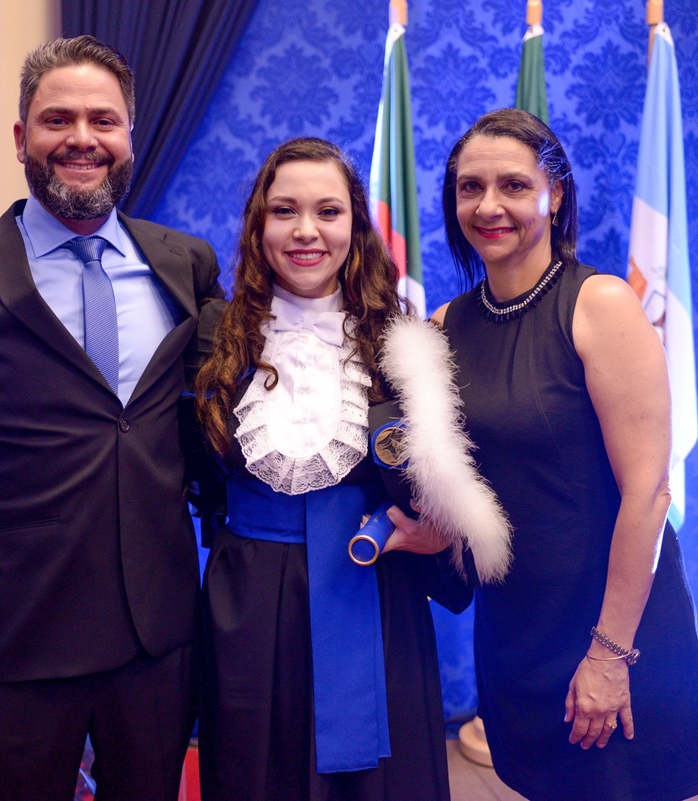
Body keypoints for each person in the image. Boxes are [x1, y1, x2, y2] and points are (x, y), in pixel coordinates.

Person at [0, 36, 224, 801]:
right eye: (57, 119)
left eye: (104, 120)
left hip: (157, 634)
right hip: (18, 637)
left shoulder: (186, 263)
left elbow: (215, 406)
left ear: (129, 136)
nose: (81, 138)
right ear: (20, 137)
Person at [429, 109, 698, 801]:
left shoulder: (601, 304)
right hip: (514, 625)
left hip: (612, 625)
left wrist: (610, 653)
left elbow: (649, 492)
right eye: (470, 188)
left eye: (513, 186)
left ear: (554, 195)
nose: (488, 206)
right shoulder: (443, 326)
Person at [192, 137, 469, 801]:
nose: (306, 230)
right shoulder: (209, 336)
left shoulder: (406, 343)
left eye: (328, 211)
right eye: (284, 210)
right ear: (259, 224)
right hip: (247, 597)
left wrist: (442, 533)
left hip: (372, 587)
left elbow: (453, 477)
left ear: (355, 225)